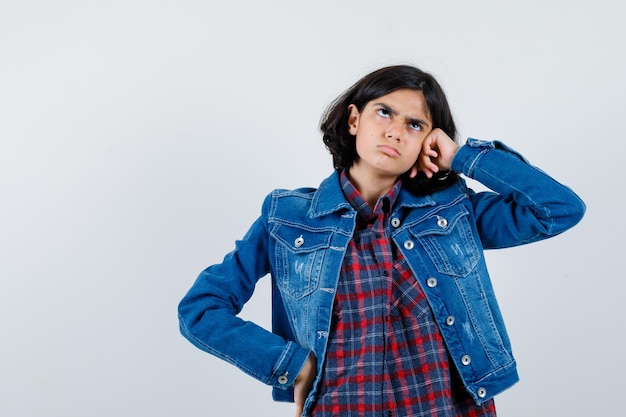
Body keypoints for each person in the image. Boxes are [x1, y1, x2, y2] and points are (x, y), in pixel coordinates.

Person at [177, 65, 586, 417]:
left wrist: (461, 156)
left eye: (414, 125)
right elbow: (200, 308)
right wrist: (289, 364)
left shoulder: (455, 212)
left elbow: (559, 209)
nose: (394, 132)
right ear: (354, 120)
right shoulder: (287, 218)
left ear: (429, 141)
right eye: (384, 113)